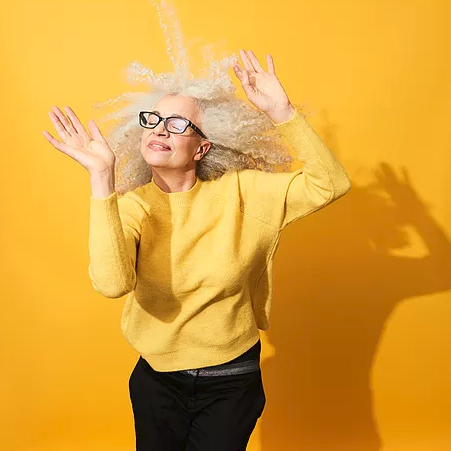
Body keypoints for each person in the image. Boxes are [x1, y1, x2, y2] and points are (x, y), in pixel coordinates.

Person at [43, 7, 351, 450]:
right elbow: (112, 285)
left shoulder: (244, 194)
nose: (160, 129)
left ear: (202, 146)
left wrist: (283, 112)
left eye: (178, 123)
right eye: (152, 119)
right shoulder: (131, 207)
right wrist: (100, 179)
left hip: (231, 382)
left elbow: (330, 184)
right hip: (156, 383)